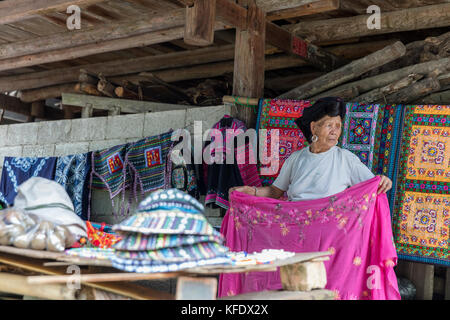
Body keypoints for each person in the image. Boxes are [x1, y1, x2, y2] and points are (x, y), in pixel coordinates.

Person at [230, 97, 392, 200]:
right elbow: (274, 192)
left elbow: (372, 186)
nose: (335, 131)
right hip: (294, 225)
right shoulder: (296, 158)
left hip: (329, 231)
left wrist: (384, 181)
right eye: (329, 125)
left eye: (338, 126)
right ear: (314, 127)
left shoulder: (345, 159)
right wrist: (251, 191)